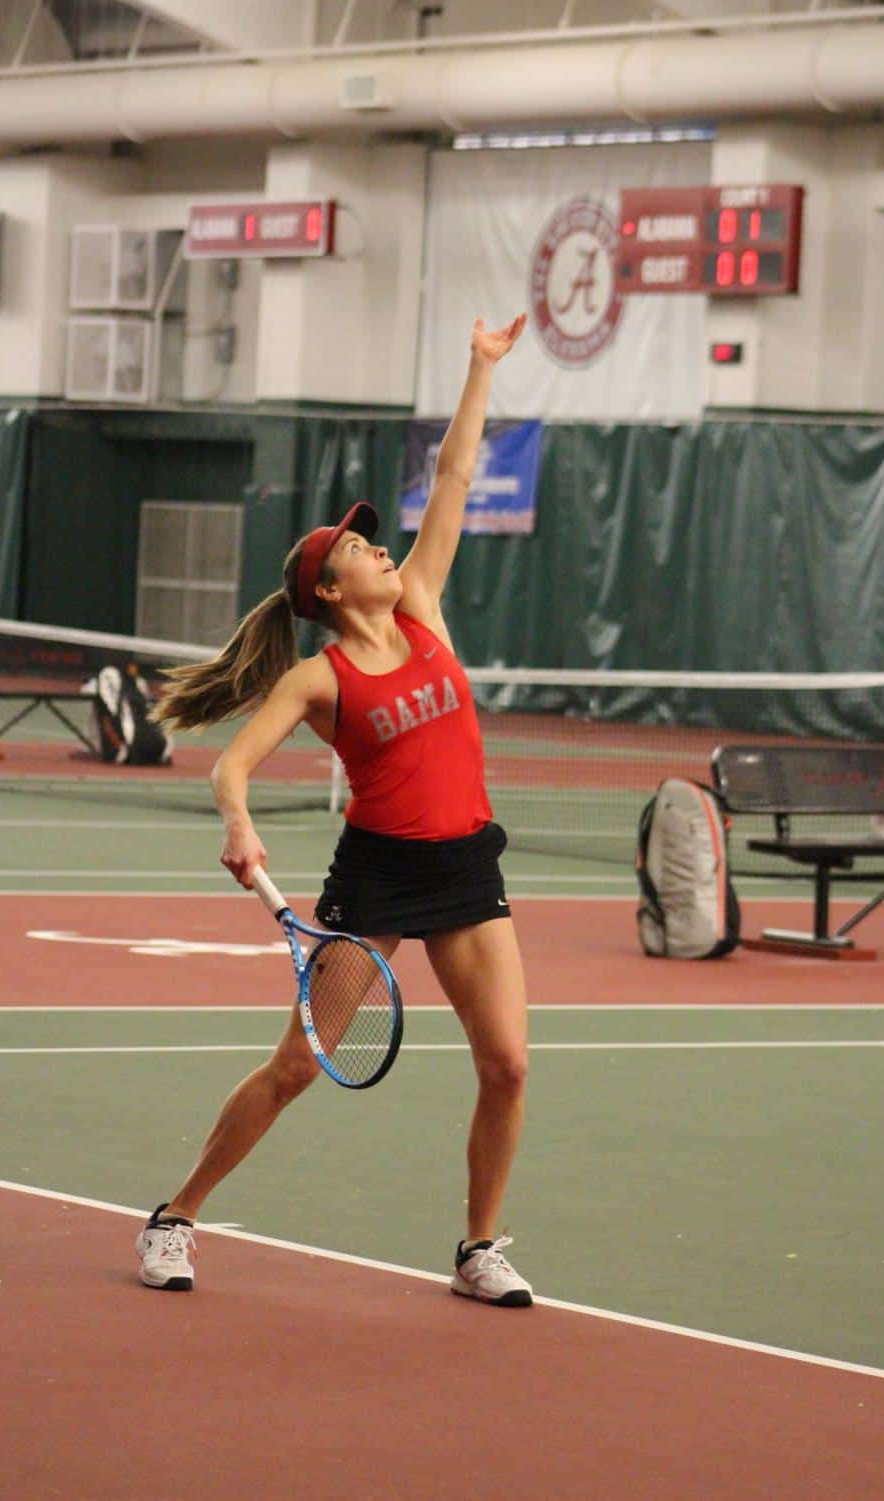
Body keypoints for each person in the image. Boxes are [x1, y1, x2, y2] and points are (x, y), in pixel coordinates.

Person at [137, 314, 532, 1308]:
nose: (382, 547)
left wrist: (477, 366)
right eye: (360, 545)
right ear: (328, 584)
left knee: (510, 1066)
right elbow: (232, 764)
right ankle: (173, 1217)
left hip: (467, 869)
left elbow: (448, 478)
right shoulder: (322, 676)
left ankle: (477, 1248)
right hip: (378, 880)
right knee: (294, 1069)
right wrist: (239, 822)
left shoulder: (424, 608)